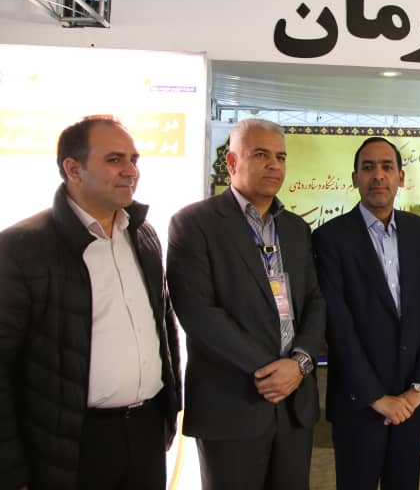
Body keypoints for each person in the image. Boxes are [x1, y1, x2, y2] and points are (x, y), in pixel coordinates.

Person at [0, 116, 181, 490]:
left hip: (146, 433)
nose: (131, 171)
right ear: (73, 169)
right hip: (70, 443)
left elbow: (164, 327)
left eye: (133, 159)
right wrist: (10, 469)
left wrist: (170, 409)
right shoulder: (22, 248)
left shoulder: (143, 235)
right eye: (114, 159)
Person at [166, 118, 326, 490]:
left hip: (293, 406)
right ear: (232, 162)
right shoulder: (194, 224)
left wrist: (299, 363)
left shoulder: (296, 228)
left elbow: (315, 301)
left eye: (280, 157)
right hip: (232, 404)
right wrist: (272, 370)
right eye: (261, 155)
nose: (274, 165)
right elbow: (199, 314)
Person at [312, 136, 420, 490]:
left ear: (401, 177)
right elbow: (338, 326)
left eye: (387, 167)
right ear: (354, 178)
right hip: (358, 404)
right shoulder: (329, 238)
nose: (378, 175)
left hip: (411, 401)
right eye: (368, 167)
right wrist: (376, 398)